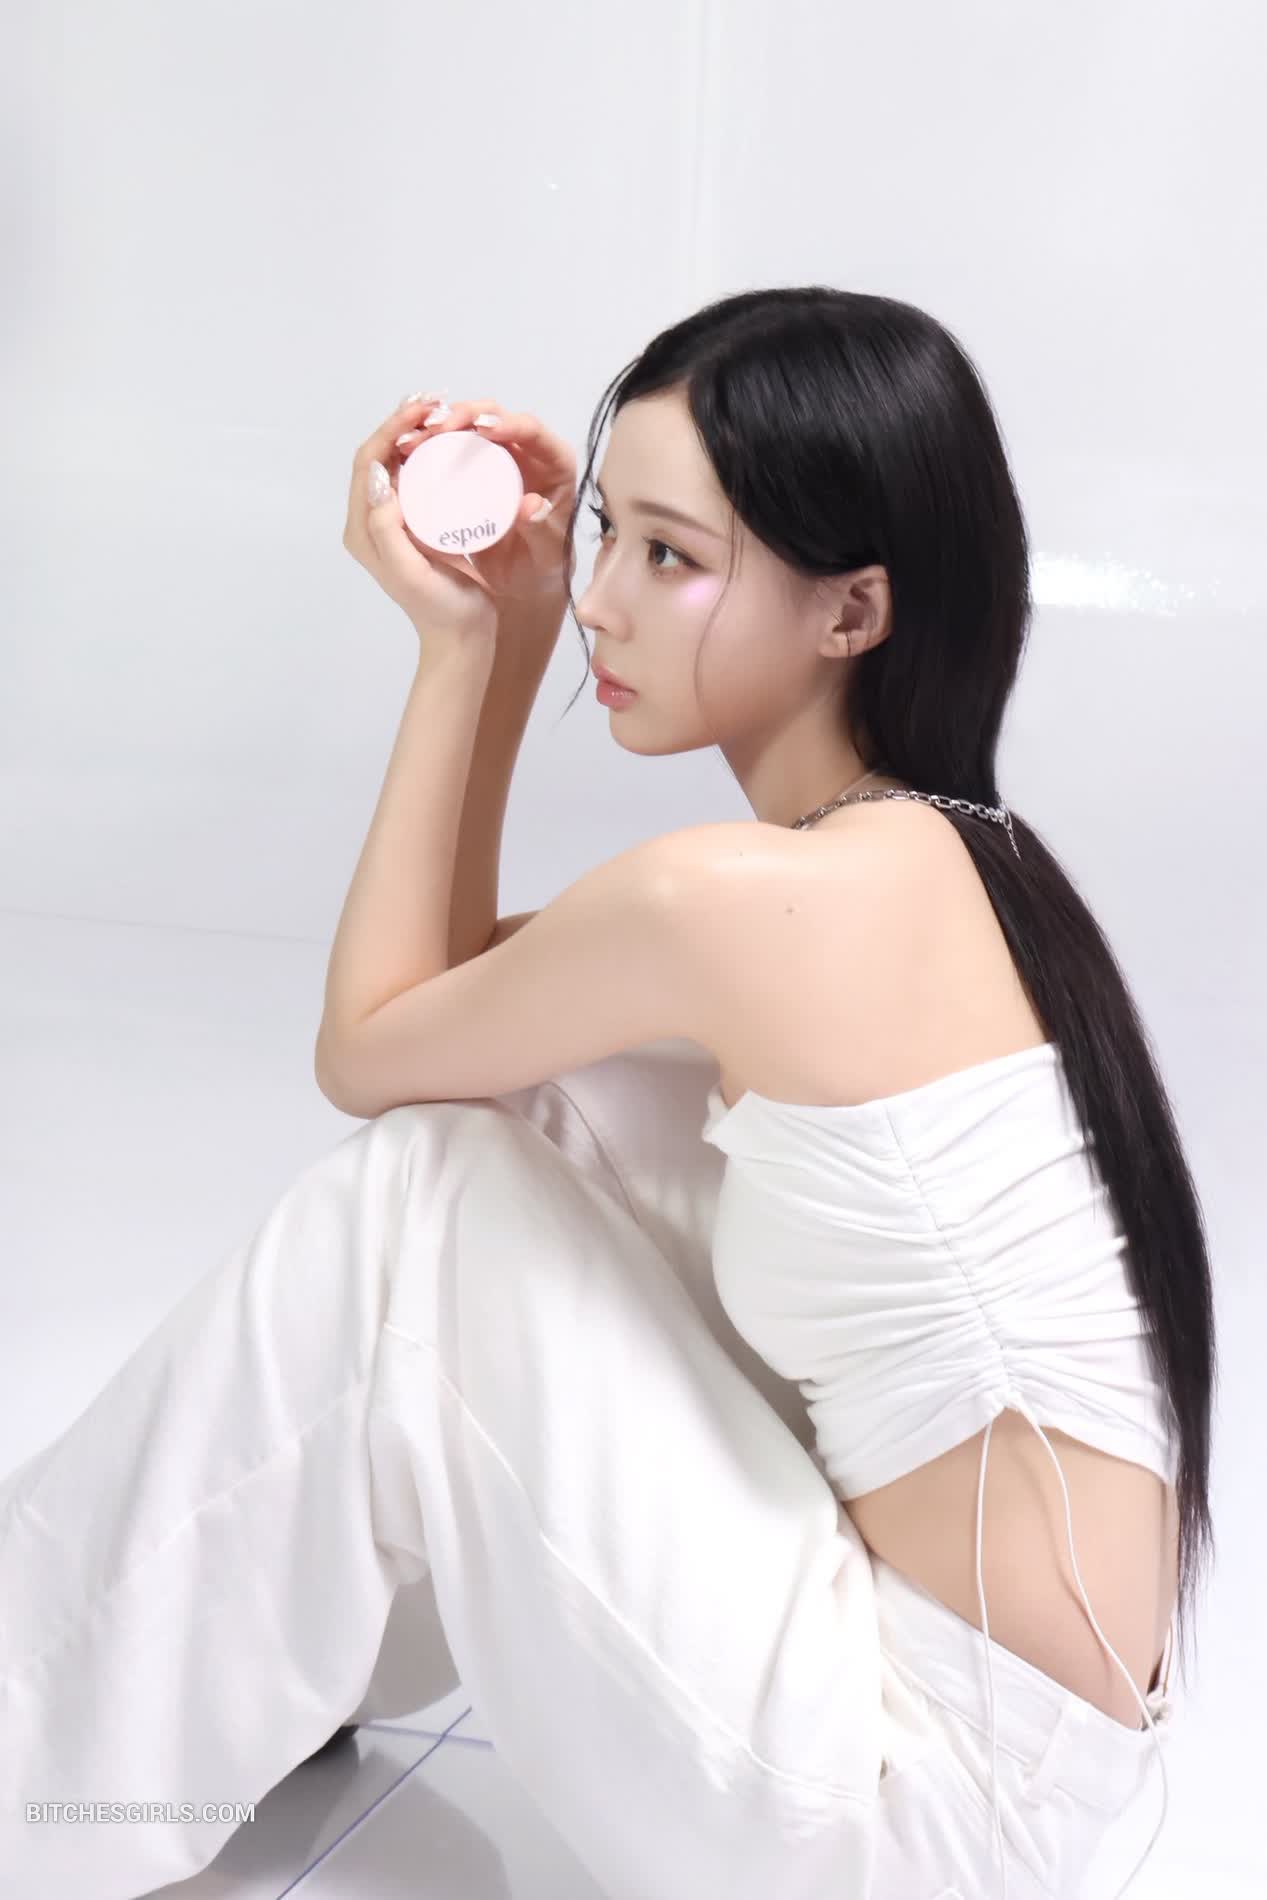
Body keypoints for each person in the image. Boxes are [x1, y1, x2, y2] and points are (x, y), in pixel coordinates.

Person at [1, 287, 1214, 1899]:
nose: (598, 603)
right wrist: (504, 639)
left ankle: (34, 1721)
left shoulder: (742, 903)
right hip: (1023, 1791)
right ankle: (215, 1658)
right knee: (558, 1115)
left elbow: (370, 1044)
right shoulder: (949, 867)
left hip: (914, 1820)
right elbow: (453, 1016)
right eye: (606, 540)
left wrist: (461, 653)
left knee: (425, 1201)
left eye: (670, 556)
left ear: (852, 611)